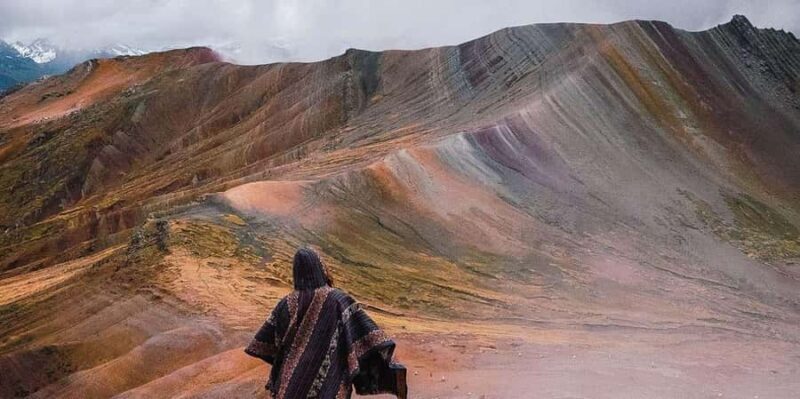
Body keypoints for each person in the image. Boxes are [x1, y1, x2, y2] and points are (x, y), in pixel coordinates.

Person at [246, 247, 407, 399]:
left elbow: (265, 345)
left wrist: (295, 362)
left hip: (289, 388)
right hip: (328, 388)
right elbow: (368, 336)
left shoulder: (285, 304)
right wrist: (390, 365)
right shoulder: (339, 301)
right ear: (319, 268)